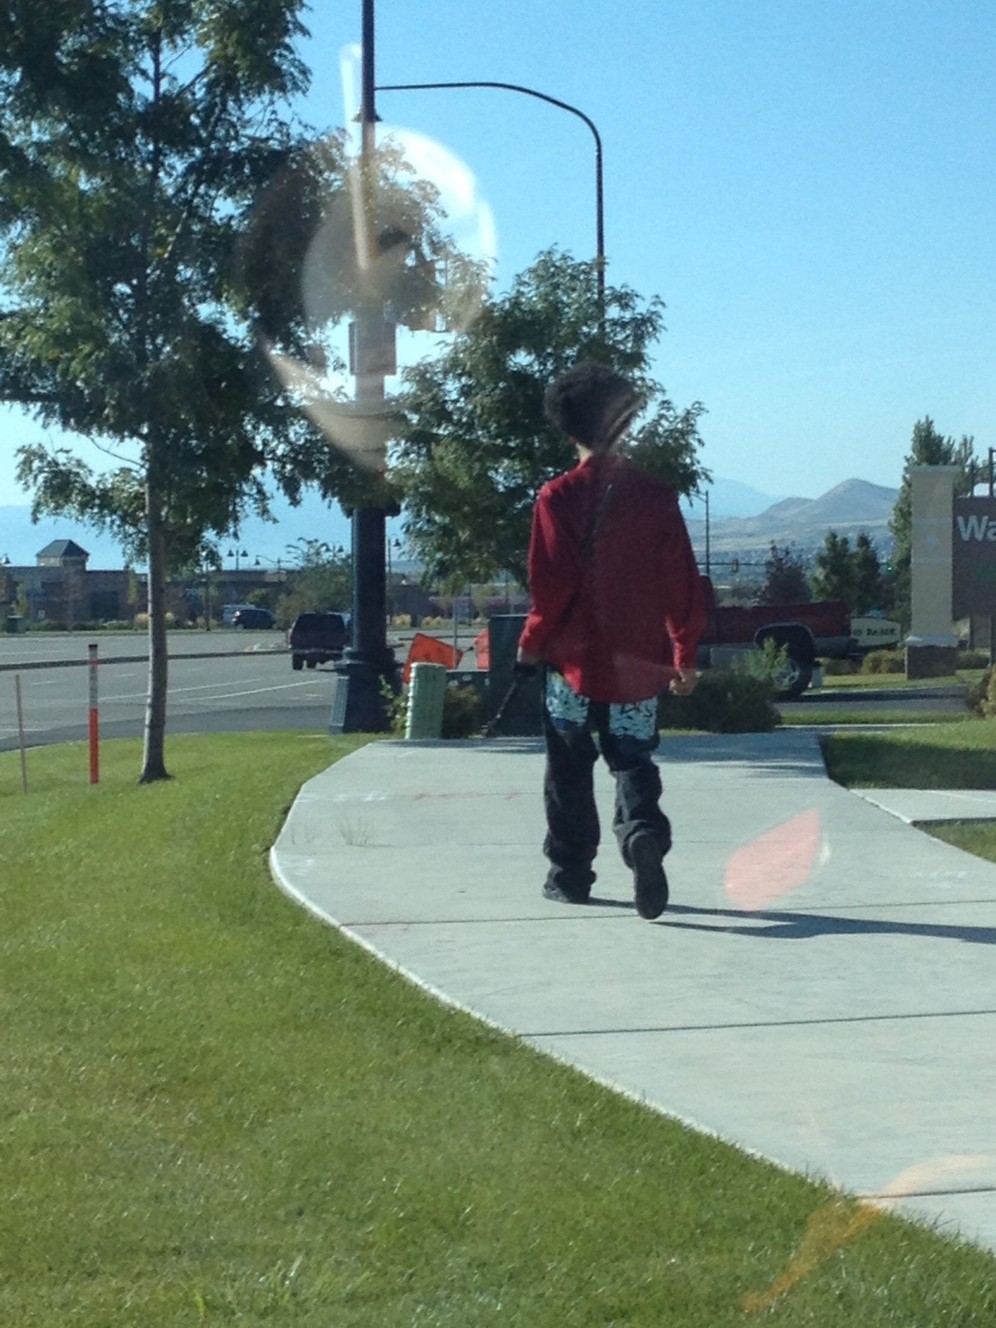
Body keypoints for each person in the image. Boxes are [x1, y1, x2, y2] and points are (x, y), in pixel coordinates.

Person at [516, 361, 705, 919]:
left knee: (569, 770)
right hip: (639, 664)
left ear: (567, 426)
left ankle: (570, 874)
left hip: (572, 665)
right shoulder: (656, 496)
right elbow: (682, 582)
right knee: (633, 760)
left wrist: (530, 644)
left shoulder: (556, 498)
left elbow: (551, 588)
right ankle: (641, 832)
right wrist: (684, 653)